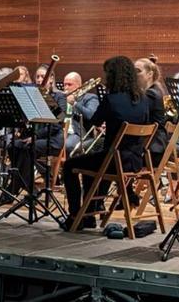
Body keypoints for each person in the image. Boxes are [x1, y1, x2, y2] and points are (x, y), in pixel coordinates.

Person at [62, 56, 151, 231]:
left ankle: (75, 215)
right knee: (89, 167)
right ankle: (88, 215)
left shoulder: (111, 99)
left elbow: (95, 120)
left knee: (70, 165)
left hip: (113, 161)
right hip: (135, 162)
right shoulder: (142, 99)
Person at [62, 72, 100, 155]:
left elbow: (91, 115)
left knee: (67, 145)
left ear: (79, 85)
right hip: (61, 132)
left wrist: (75, 103)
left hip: (78, 134)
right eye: (64, 85)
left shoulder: (90, 97)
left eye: (69, 84)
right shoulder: (63, 98)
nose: (66, 88)